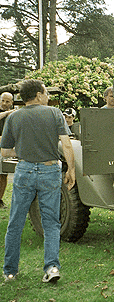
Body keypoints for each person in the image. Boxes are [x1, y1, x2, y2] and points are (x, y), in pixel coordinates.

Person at [1, 79, 75, 283]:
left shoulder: (14, 117)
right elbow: (67, 145)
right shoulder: (54, 114)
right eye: (46, 92)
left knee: (15, 222)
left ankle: (10, 272)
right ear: (39, 95)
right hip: (50, 170)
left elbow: (5, 151)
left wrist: (24, 149)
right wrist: (72, 170)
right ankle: (52, 268)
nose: (48, 96)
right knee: (51, 222)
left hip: (24, 170)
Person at [0, 92, 15, 209]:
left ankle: (0, 200)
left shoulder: (13, 115)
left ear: (12, 102)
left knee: (3, 175)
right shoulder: (8, 113)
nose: (4, 103)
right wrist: (7, 113)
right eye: (3, 100)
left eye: (7, 101)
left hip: (5, 148)